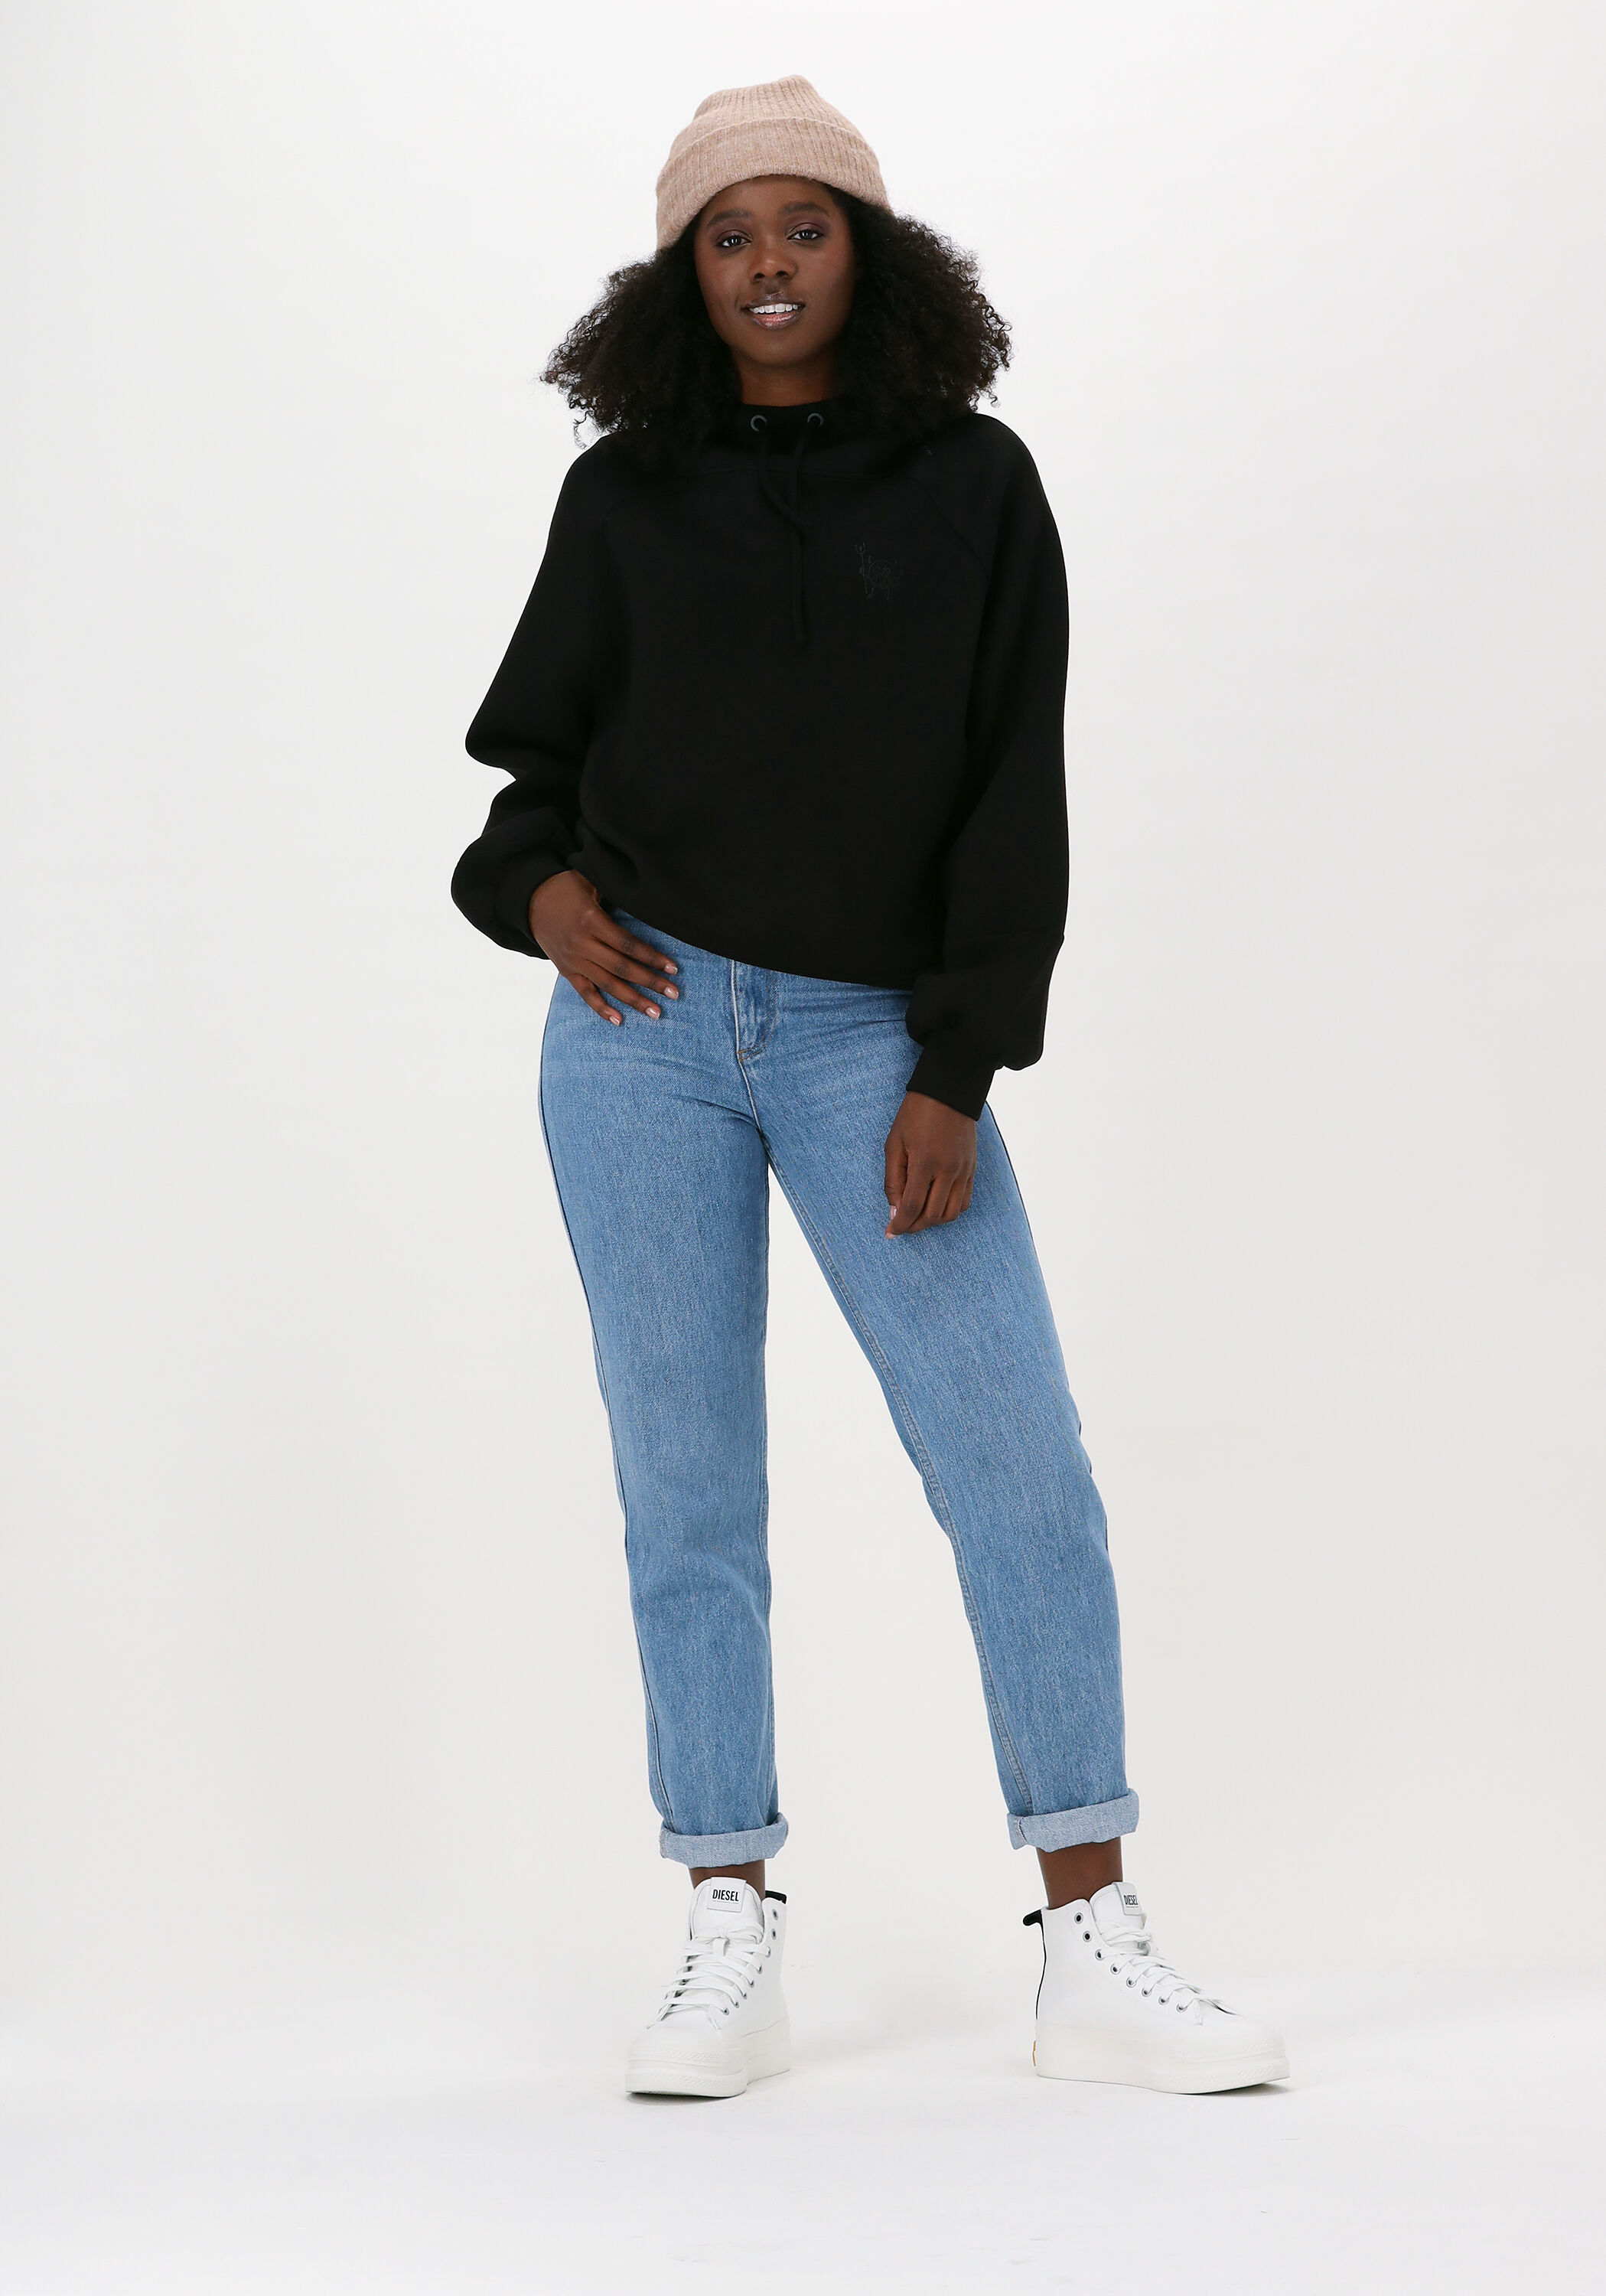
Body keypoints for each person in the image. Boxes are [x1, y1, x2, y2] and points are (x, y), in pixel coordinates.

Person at [452, 77, 1287, 2101]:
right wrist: (545, 895)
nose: (767, 265)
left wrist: (954, 1066)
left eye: (803, 228)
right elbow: (527, 781)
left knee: (1017, 1468)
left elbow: (1014, 788)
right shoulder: (624, 494)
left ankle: (1090, 1937)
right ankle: (725, 1923)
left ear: (869, 254)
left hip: (870, 1045)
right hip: (640, 1033)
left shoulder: (974, 483)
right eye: (727, 236)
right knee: (688, 1489)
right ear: (681, 275)